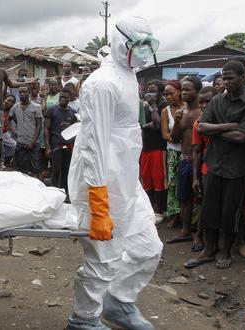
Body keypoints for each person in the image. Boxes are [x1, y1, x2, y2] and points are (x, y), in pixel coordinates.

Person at [66, 16, 162, 330]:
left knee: (148, 248)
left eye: (149, 45)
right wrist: (98, 202)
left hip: (126, 179)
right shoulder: (101, 83)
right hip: (101, 181)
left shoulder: (128, 74)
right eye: (139, 45)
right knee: (103, 256)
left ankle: (119, 302)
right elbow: (93, 145)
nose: (145, 53)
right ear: (121, 42)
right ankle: (84, 319)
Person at [185, 60, 245, 270]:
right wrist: (228, 126)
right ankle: (208, 251)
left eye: (230, 78)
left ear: (242, 76)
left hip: (236, 169)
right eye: (224, 78)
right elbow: (201, 129)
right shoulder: (217, 100)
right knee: (209, 211)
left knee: (230, 213)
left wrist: (215, 129)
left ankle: (225, 251)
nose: (226, 82)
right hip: (214, 164)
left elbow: (241, 138)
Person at [167, 76, 202, 246]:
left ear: (197, 91)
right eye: (183, 89)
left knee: (200, 199)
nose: (185, 92)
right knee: (185, 199)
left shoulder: (203, 112)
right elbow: (174, 138)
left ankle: (199, 234)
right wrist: (177, 122)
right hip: (184, 159)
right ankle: (185, 231)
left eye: (189, 89)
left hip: (200, 161)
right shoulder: (182, 113)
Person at [191, 86, 219, 252]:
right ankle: (200, 235)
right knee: (205, 205)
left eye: (207, 101)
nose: (203, 105)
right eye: (200, 102)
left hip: (226, 168)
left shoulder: (224, 118)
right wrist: (195, 177)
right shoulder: (198, 123)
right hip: (207, 169)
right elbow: (197, 150)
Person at [141, 80, 168, 222]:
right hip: (146, 147)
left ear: (160, 93)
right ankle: (149, 207)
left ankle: (160, 209)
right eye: (148, 90)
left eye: (154, 91)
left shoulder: (163, 105)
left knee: (159, 179)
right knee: (146, 177)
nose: (150, 93)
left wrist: (153, 105)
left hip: (159, 147)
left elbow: (157, 125)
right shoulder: (145, 106)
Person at [160, 80, 184, 228]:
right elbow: (165, 135)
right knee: (173, 183)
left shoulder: (188, 108)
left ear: (179, 91)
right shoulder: (165, 111)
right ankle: (174, 214)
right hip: (173, 150)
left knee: (185, 184)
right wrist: (175, 137)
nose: (168, 97)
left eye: (171, 93)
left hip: (188, 151)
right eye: (166, 94)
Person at [44, 88, 78, 194]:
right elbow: (46, 129)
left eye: (65, 97)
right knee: (56, 170)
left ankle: (65, 193)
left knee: (66, 171)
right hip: (56, 145)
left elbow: (76, 129)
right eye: (61, 97)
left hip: (68, 146)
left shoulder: (72, 112)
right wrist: (48, 147)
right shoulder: (52, 110)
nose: (62, 99)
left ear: (70, 98)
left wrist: (71, 126)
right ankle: (54, 193)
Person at [9, 85, 42, 178]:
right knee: (20, 169)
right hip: (20, 142)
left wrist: (33, 142)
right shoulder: (15, 107)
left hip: (33, 143)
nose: (22, 94)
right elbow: (9, 118)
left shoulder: (36, 107)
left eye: (24, 92)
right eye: (20, 92)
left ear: (29, 92)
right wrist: (14, 131)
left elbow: (39, 125)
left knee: (36, 169)